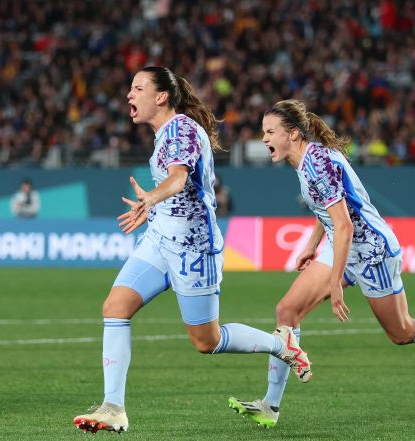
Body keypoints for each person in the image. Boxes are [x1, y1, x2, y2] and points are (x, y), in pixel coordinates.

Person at [227, 99, 415, 428]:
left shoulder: (316, 164)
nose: (264, 138)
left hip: (371, 251)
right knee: (287, 311)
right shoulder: (307, 160)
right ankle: (270, 406)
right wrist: (311, 245)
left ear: (292, 134)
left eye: (270, 132)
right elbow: (330, 211)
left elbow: (345, 225)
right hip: (343, 246)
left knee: (402, 332)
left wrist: (334, 283)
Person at [72, 67, 311, 434]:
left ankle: (281, 345)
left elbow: (179, 177)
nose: (129, 95)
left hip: (192, 249)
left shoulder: (181, 129)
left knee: (206, 341)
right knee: (115, 307)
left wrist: (152, 198)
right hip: (159, 240)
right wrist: (153, 209)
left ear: (161, 97)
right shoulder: (164, 133)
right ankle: (113, 408)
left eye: (138, 88)